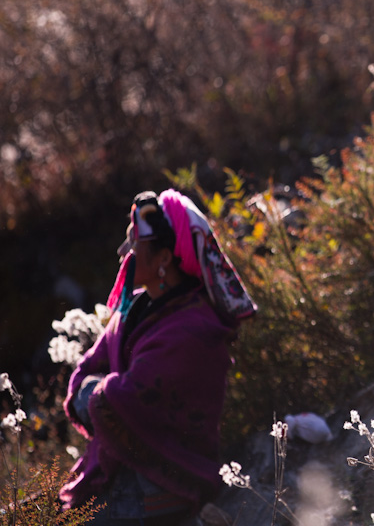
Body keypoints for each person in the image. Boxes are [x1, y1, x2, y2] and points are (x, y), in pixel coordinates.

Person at [61, 189, 257, 525]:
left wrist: (94, 393)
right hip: (121, 475)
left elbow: (123, 400)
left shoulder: (194, 328)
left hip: (160, 489)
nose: (124, 252)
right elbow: (85, 374)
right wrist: (97, 391)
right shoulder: (133, 309)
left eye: (134, 244)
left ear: (164, 259)